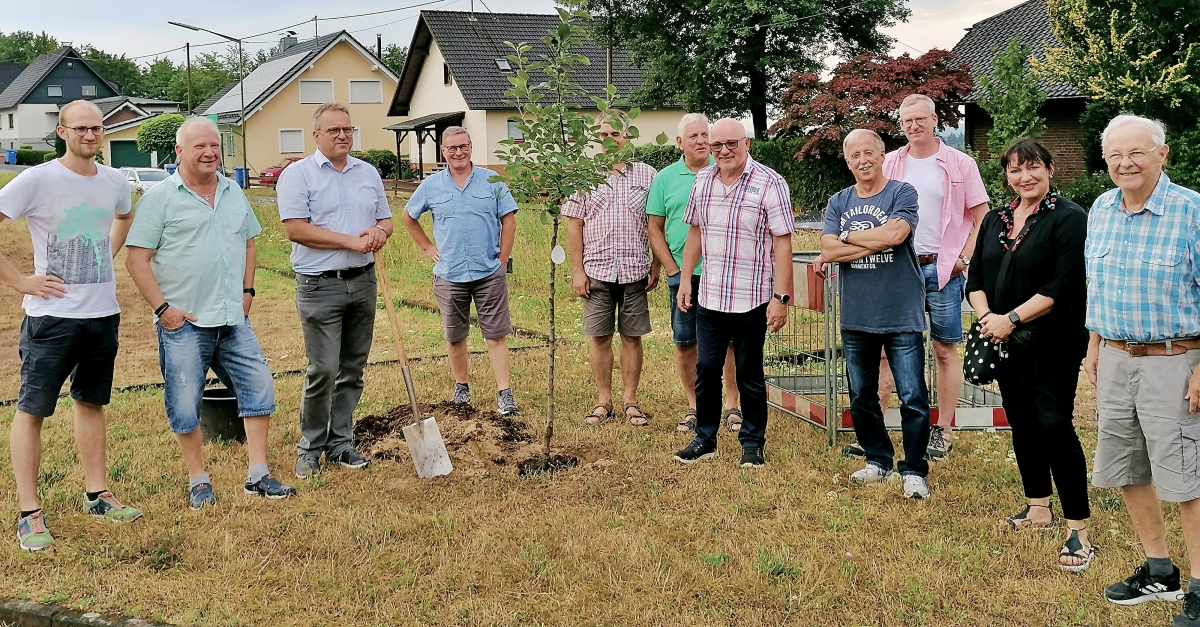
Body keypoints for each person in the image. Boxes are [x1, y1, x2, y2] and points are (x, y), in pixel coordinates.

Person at [126, 117, 296, 508]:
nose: (209, 152)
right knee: (185, 404)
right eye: (199, 146)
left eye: (214, 146)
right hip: (185, 323)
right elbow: (137, 260)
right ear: (180, 151)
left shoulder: (233, 191)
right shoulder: (160, 199)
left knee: (259, 389)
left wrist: (248, 290)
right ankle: (198, 479)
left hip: (232, 318)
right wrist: (163, 309)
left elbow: (250, 243)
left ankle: (258, 473)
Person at [0, 100, 142, 550]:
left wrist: (107, 255)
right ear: (61, 132)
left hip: (102, 313)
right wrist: (22, 280)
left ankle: (97, 494)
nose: (90, 136)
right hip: (52, 318)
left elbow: (123, 217)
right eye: (80, 129)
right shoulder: (38, 179)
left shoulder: (115, 181)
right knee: (33, 410)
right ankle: (29, 513)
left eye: (96, 128)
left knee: (91, 402)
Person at [822, 94, 990, 461]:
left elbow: (982, 217)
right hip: (894, 269)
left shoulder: (960, 163)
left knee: (944, 350)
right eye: (906, 121)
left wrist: (964, 258)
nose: (914, 126)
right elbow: (872, 216)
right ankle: (875, 427)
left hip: (941, 268)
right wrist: (841, 246)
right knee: (883, 349)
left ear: (934, 121)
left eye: (920, 119)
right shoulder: (892, 161)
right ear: (900, 125)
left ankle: (942, 429)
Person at [1085, 114, 1200, 622]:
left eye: (1136, 152)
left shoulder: (1191, 210)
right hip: (1113, 357)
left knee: (1186, 478)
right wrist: (1094, 346)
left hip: (1175, 360)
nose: (1124, 163)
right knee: (1127, 467)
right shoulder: (1101, 208)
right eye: (1115, 155)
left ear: (1162, 154)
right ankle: (1160, 570)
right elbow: (1098, 285)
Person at [965, 138, 1092, 571]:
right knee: (1021, 423)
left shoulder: (1069, 218)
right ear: (1007, 175)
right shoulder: (996, 219)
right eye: (1016, 170)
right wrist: (989, 320)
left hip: (1053, 341)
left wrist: (1011, 319)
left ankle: (1078, 529)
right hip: (1002, 339)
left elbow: (1064, 284)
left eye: (1033, 167)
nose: (1025, 176)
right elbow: (976, 278)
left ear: (1051, 168)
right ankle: (1037, 507)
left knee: (1054, 425)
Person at [277, 103, 393, 479]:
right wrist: (349, 242)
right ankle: (310, 447)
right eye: (333, 130)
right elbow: (296, 229)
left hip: (363, 282)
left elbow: (385, 220)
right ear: (316, 135)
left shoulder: (368, 172)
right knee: (323, 369)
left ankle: (340, 443)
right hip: (319, 286)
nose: (342, 135)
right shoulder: (298, 175)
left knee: (353, 369)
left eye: (347, 129)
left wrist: (379, 233)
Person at [672, 118, 794, 468]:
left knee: (748, 373)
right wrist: (684, 280)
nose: (723, 151)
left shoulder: (770, 183)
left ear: (747, 144)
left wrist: (780, 297)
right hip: (711, 294)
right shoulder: (703, 181)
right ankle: (705, 438)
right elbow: (695, 231)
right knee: (707, 368)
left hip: (753, 298)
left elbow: (783, 243)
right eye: (716, 145)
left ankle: (752, 443)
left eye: (731, 144)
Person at [819, 129, 932, 499]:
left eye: (869, 153)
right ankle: (878, 459)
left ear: (882, 155)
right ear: (847, 160)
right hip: (857, 313)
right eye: (855, 155)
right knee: (861, 394)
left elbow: (897, 235)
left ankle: (914, 470)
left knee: (913, 395)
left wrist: (848, 238)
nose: (863, 160)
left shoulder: (902, 192)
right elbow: (827, 252)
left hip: (901, 310)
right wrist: (870, 240)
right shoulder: (839, 200)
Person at [402, 126, 520, 415]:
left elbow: (509, 221)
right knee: (455, 335)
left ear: (471, 147)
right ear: (443, 151)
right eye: (452, 148)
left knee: (495, 335)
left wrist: (503, 260)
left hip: (488, 271)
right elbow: (408, 217)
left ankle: (505, 394)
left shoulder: (492, 180)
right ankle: (461, 389)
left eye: (463, 146)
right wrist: (428, 247)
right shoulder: (431, 185)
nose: (458, 152)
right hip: (450, 273)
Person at [646, 113, 741, 434]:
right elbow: (654, 229)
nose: (702, 141)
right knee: (686, 342)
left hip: (724, 275)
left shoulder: (725, 172)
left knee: (728, 343)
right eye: (694, 137)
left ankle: (731, 405)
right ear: (680, 143)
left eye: (705, 135)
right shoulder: (665, 179)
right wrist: (673, 270)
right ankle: (695, 405)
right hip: (684, 276)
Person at [562, 115, 659, 427]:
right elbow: (574, 227)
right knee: (599, 337)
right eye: (602, 133)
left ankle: (631, 401)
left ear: (627, 135)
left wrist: (657, 263)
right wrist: (577, 271)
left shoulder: (647, 175)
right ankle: (604, 400)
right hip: (597, 272)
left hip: (635, 271)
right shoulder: (583, 177)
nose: (608, 139)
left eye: (614, 133)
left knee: (632, 337)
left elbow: (657, 224)